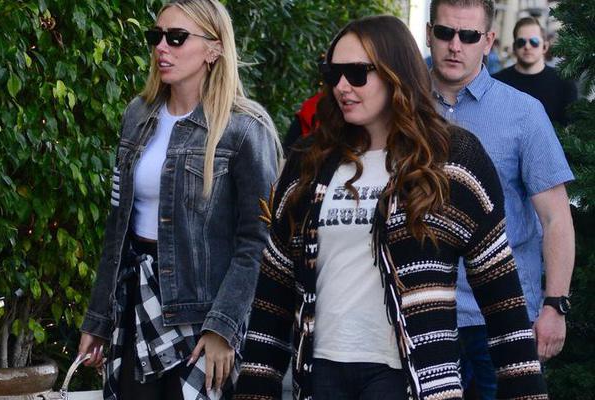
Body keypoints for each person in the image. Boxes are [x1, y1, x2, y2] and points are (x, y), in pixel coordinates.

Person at [234, 15, 547, 400]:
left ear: (395, 74)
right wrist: (256, 386)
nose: (342, 86)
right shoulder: (309, 162)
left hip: (410, 378)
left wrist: (526, 390)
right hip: (322, 374)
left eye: (357, 73)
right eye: (333, 73)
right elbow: (274, 291)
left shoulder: (452, 160)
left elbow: (501, 296)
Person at [77, 1, 280, 399]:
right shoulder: (138, 115)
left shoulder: (244, 127)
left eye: (176, 37)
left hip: (205, 314)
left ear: (214, 48)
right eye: (157, 36)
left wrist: (223, 326)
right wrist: (97, 319)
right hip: (136, 302)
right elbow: (117, 228)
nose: (161, 47)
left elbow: (258, 242)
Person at [426, 0, 575, 398]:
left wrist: (554, 305)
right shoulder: (402, 109)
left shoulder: (523, 113)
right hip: (421, 313)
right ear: (429, 34)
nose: (455, 45)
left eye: (468, 35)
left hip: (503, 316)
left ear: (488, 41)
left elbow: (556, 217)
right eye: (445, 32)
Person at [493, 17, 577, 125]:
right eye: (521, 42)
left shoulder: (565, 84)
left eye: (534, 42)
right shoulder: (496, 83)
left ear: (545, 47)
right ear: (514, 47)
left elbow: (571, 128)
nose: (527, 46)